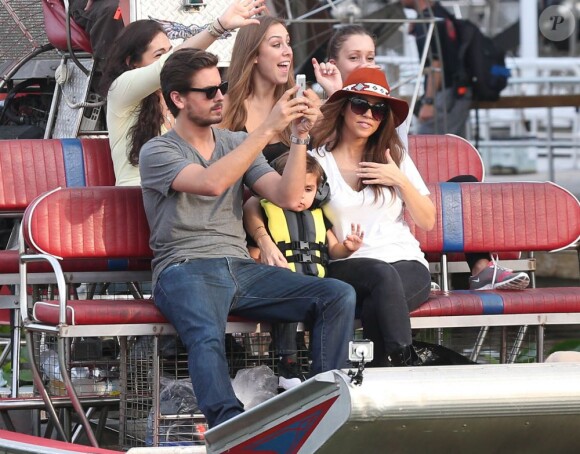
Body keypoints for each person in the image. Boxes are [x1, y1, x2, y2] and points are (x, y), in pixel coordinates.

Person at [139, 48, 356, 428]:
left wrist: (298, 138)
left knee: (337, 294)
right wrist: (266, 130)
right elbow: (211, 182)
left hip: (240, 266)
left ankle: (323, 406)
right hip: (184, 267)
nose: (220, 96)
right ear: (178, 99)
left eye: (221, 87)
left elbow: (289, 197)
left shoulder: (235, 141)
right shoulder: (158, 150)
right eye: (208, 92)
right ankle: (230, 426)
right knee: (206, 336)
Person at [313, 24, 529, 291]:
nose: (363, 64)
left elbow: (390, 153)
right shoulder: (316, 110)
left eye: (370, 58)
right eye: (354, 57)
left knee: (464, 181)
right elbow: (325, 153)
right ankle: (418, 278)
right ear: (333, 64)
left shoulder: (386, 109)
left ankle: (480, 268)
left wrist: (400, 180)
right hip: (346, 231)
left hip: (390, 200)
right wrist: (337, 95)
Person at [101, 0, 267, 186]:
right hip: (134, 197)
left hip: (183, 198)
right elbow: (172, 63)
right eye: (159, 55)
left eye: (169, 51)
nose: (168, 60)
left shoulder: (180, 98)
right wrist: (219, 26)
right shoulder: (121, 89)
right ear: (133, 62)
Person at [244, 153, 364, 389]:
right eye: (294, 188)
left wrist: (348, 249)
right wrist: (261, 264)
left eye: (308, 189)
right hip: (284, 285)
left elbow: (334, 249)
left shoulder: (318, 216)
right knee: (287, 305)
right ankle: (287, 363)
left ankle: (323, 368)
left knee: (337, 299)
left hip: (318, 285)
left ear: (319, 191)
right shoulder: (267, 214)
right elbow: (253, 253)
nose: (300, 196)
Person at [221, 15, 296, 163]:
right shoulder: (227, 106)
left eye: (288, 43)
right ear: (254, 55)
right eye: (276, 44)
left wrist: (334, 90)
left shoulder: (298, 102)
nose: (288, 51)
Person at [401, 0, 471, 136]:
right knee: (452, 146)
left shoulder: (426, 22)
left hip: (445, 95)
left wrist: (429, 103)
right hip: (458, 92)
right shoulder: (441, 14)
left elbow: (435, 64)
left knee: (426, 144)